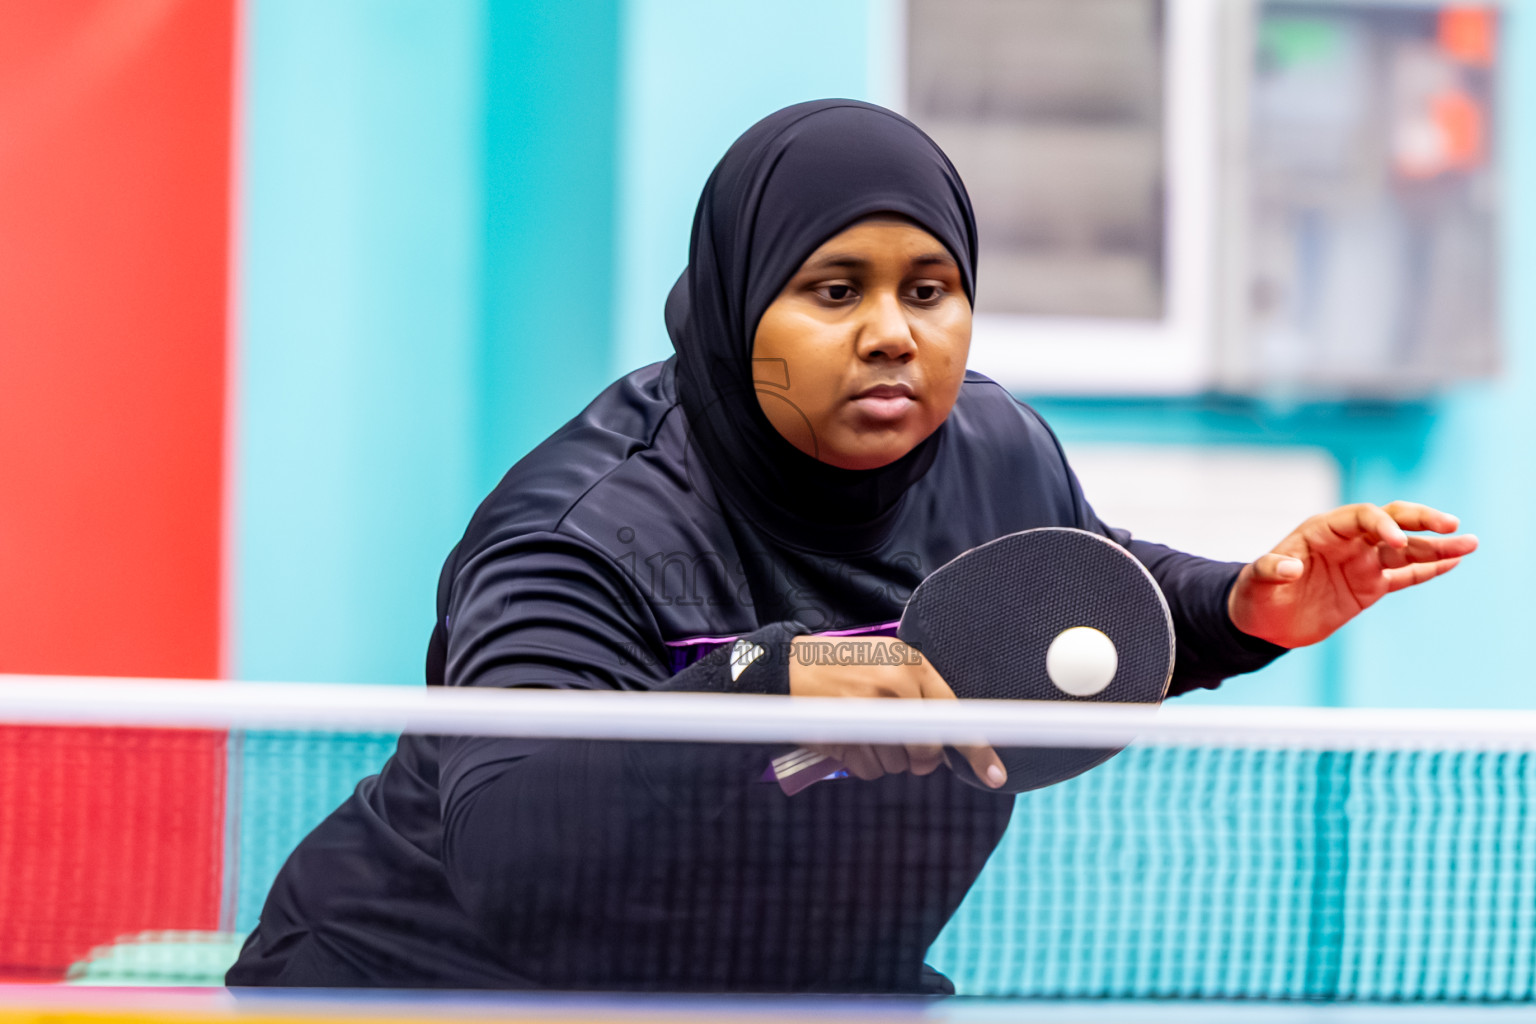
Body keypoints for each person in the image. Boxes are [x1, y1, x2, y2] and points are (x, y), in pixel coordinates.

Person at [226, 100, 1476, 993]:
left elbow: (1073, 596)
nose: (893, 334)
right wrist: (762, 688)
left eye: (929, 290)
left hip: (784, 978)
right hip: (434, 986)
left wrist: (1239, 607)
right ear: (741, 306)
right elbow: (512, 845)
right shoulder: (587, 531)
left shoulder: (994, 452)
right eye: (835, 291)